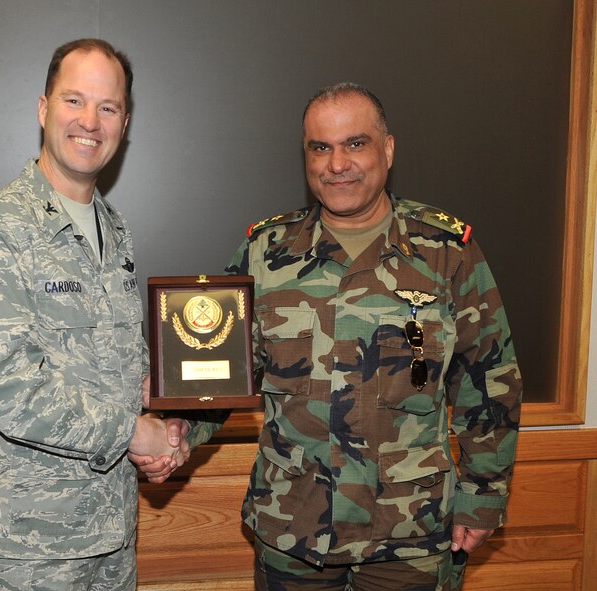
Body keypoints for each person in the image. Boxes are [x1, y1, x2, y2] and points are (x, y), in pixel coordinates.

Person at [172, 83, 522, 590]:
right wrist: (179, 428)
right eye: (321, 147)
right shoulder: (266, 254)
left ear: (388, 149)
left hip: (410, 531)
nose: (338, 164)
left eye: (355, 144)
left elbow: (490, 380)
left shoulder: (446, 253)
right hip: (295, 527)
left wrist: (484, 495)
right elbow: (225, 370)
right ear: (306, 156)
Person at [0, 38, 187, 591]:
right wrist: (133, 433)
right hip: (24, 555)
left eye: (109, 107)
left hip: (111, 539)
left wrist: (172, 415)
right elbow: (1, 383)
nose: (90, 122)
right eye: (74, 100)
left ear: (124, 123)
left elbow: (124, 370)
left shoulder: (114, 233)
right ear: (43, 109)